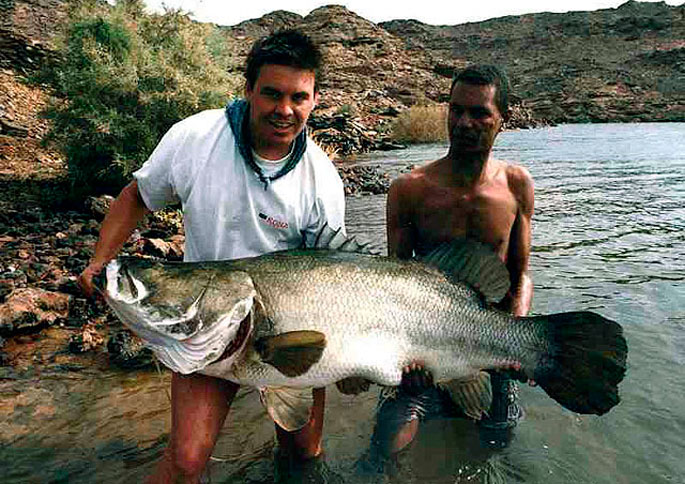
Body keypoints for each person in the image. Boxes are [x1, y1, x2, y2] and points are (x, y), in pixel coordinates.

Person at [78, 30, 346, 483]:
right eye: (272, 94)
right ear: (248, 90)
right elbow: (137, 196)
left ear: (314, 100)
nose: (285, 110)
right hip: (207, 324)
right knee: (185, 464)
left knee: (304, 453)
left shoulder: (322, 180)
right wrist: (98, 262)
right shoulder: (196, 137)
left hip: (288, 332)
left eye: (299, 97)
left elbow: (336, 275)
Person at [362, 64, 535, 468]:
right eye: (456, 110)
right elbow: (393, 283)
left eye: (479, 113)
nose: (464, 123)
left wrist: (517, 331)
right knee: (384, 451)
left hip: (492, 339)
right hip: (423, 339)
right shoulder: (409, 189)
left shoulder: (517, 185)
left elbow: (520, 275)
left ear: (503, 120)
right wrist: (407, 360)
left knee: (498, 441)